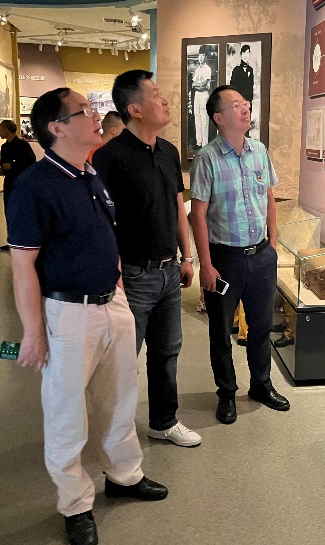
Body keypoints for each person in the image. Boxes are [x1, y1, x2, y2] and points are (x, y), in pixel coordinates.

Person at [6, 88, 168, 545]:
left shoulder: (90, 173)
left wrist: (117, 284)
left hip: (111, 303)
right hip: (69, 313)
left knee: (120, 399)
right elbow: (22, 266)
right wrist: (32, 333)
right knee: (66, 414)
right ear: (57, 127)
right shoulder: (35, 186)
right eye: (84, 111)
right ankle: (75, 504)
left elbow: (103, 235)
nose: (97, 116)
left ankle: (124, 475)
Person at [93, 70, 201, 448]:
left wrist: (187, 257)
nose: (165, 99)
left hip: (170, 271)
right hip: (133, 275)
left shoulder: (169, 152)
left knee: (167, 352)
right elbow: (101, 221)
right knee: (123, 360)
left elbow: (177, 206)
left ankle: (163, 422)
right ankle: (116, 435)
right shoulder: (109, 157)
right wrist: (115, 274)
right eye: (155, 94)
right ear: (134, 109)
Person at [189, 85, 290, 425]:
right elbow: (197, 215)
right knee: (220, 332)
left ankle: (261, 385)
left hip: (261, 256)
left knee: (261, 326)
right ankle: (227, 393)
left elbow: (269, 198)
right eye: (236, 105)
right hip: (225, 259)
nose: (245, 109)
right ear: (218, 118)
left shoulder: (259, 151)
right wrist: (205, 264)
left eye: (245, 103)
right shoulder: (207, 158)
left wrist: (272, 243)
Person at [0, 119, 35, 251]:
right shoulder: (4, 147)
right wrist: (2, 169)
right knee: (9, 212)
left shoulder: (23, 146)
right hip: (9, 184)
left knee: (21, 212)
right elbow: (4, 164)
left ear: (7, 130)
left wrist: (13, 165)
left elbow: (31, 162)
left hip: (21, 185)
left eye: (0, 129)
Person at [192, 52, 212, 148]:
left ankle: (204, 143)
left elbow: (203, 85)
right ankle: (198, 142)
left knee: (204, 118)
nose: (200, 57)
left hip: (204, 94)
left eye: (203, 55)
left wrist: (199, 84)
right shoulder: (197, 70)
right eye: (199, 55)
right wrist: (198, 85)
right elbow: (193, 84)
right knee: (197, 117)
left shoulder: (207, 69)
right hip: (197, 95)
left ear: (205, 57)